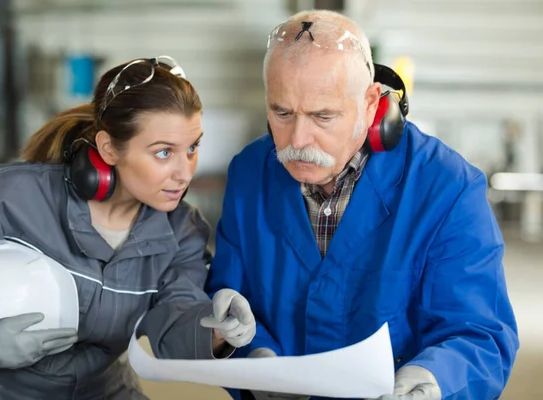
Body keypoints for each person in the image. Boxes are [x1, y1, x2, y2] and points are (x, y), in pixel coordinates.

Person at [205, 10, 519, 400]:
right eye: (282, 112)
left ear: (372, 104)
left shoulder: (448, 187)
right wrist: (254, 359)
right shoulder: (249, 173)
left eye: (323, 115)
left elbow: (480, 334)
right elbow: (228, 300)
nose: (297, 139)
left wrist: (433, 378)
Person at [0, 56, 256, 399]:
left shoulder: (181, 230)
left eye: (192, 147)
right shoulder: (4, 199)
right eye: (164, 153)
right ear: (109, 148)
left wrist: (216, 329)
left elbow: (174, 320)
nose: (185, 172)